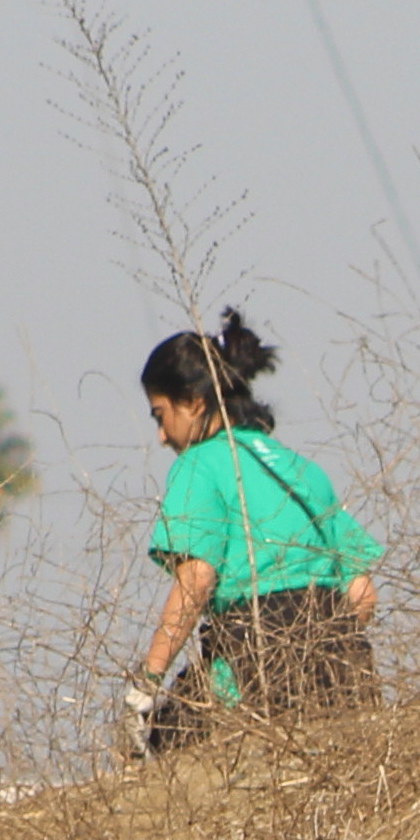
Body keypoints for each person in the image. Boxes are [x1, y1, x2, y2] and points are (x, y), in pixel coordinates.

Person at [118, 311, 385, 753]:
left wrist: (145, 685)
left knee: (165, 751)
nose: (163, 436)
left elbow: (197, 579)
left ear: (195, 403)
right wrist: (315, 646)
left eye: (160, 415)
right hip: (345, 667)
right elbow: (362, 593)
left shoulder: (199, 465)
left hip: (252, 659)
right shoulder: (301, 468)